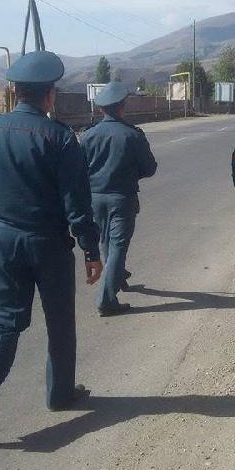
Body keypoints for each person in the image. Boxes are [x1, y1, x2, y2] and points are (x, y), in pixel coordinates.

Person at [0, 51, 103, 441]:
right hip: (48, 245)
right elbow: (77, 205)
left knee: (5, 321)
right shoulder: (59, 138)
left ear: (14, 91)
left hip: (2, 239)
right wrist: (91, 252)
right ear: (50, 95)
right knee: (59, 322)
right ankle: (59, 395)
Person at [80, 82, 157, 316]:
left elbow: (79, 170)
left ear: (102, 109)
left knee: (105, 241)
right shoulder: (133, 135)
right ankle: (106, 299)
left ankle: (118, 275)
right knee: (118, 247)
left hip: (94, 198)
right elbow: (149, 168)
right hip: (121, 198)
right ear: (122, 107)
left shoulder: (88, 136)